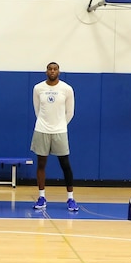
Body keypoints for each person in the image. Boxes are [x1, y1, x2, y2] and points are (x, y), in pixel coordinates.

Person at [30, 62, 78, 212]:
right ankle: (42, 197)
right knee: (41, 164)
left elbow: (70, 112)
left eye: (55, 69)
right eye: (50, 69)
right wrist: (45, 124)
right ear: (46, 71)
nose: (52, 71)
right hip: (42, 130)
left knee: (65, 165)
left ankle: (70, 198)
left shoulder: (66, 89)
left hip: (60, 131)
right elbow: (37, 110)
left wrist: (60, 125)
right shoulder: (38, 88)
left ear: (59, 71)